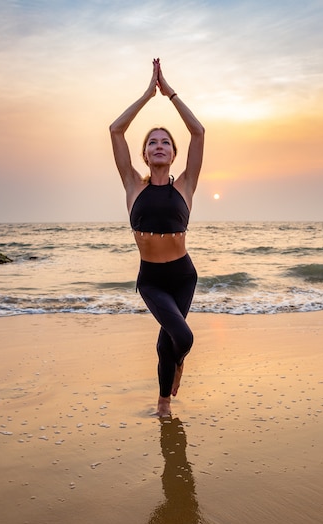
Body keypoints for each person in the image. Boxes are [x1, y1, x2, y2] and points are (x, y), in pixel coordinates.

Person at [109, 58, 204, 417]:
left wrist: (172, 94)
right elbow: (116, 131)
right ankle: (177, 369)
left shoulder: (186, 186)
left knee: (173, 340)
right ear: (145, 154)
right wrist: (149, 93)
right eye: (152, 143)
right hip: (151, 280)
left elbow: (199, 132)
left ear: (174, 153)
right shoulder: (133, 185)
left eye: (166, 142)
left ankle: (163, 404)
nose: (160, 146)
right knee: (184, 339)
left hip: (182, 276)